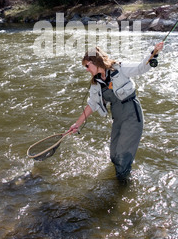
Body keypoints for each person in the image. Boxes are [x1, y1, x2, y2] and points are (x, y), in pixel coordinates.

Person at [68, 42, 164, 182]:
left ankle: (122, 186)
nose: (86, 69)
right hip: (118, 118)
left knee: (123, 156)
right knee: (114, 155)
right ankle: (123, 177)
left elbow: (140, 67)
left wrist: (154, 52)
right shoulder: (96, 83)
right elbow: (92, 104)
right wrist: (76, 124)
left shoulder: (120, 68)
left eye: (87, 66)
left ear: (95, 62)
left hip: (132, 115)